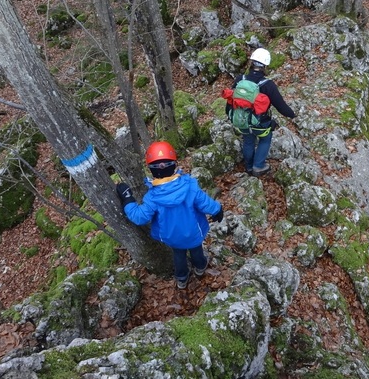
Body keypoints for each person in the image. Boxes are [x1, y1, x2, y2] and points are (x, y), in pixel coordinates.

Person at [116, 141, 223, 290]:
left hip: (172, 237)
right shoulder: (190, 186)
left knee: (178, 256)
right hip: (194, 233)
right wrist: (217, 210)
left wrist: (128, 199)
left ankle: (182, 279)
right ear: (174, 164)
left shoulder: (152, 198)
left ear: (151, 170)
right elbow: (205, 203)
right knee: (196, 251)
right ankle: (200, 268)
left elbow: (139, 217)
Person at [231, 47, 296, 176]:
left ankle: (249, 167)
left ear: (251, 63)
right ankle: (258, 166)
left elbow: (232, 99)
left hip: (242, 120)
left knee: (248, 140)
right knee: (266, 138)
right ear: (265, 66)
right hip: (260, 123)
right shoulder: (268, 85)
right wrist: (292, 115)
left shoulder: (240, 79)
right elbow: (281, 106)